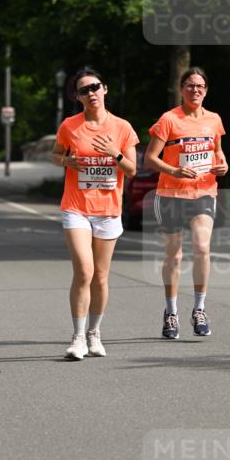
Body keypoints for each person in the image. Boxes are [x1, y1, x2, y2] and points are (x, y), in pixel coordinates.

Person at [52, 67, 138, 360]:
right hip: (76, 207)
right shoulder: (70, 126)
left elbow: (132, 169)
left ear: (105, 89)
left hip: (108, 210)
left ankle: (94, 333)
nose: (91, 93)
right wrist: (67, 161)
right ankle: (77, 337)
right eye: (84, 90)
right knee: (84, 271)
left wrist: (115, 152)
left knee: (101, 276)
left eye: (95, 87)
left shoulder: (123, 128)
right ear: (77, 97)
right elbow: (55, 155)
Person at [145, 66, 228, 339]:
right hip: (170, 195)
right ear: (181, 89)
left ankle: (199, 309)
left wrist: (223, 165)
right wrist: (174, 171)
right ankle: (171, 312)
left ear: (206, 90)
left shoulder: (214, 119)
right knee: (175, 255)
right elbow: (150, 158)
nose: (195, 90)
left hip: (204, 192)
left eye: (200, 86)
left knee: (203, 247)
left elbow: (217, 151)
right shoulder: (169, 119)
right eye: (190, 85)